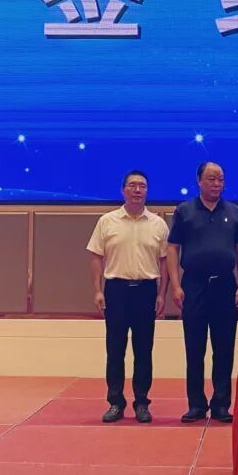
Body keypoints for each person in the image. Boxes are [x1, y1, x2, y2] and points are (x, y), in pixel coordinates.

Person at [87, 170, 169, 423]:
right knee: (115, 350)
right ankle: (115, 402)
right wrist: (97, 290)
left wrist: (161, 294)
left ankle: (142, 402)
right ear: (122, 190)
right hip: (116, 290)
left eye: (142, 186)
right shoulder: (107, 221)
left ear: (147, 191)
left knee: (144, 350)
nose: (137, 190)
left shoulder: (158, 224)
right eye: (132, 185)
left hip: (146, 291)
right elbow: (96, 256)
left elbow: (165, 262)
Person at [167, 161, 238, 425]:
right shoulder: (184, 210)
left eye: (220, 179)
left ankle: (221, 404)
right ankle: (196, 405)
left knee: (224, 348)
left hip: (225, 285)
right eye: (211, 179)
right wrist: (176, 285)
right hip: (194, 285)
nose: (216, 184)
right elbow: (173, 248)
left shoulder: (233, 211)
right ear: (199, 181)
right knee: (194, 347)